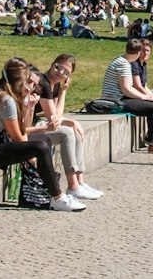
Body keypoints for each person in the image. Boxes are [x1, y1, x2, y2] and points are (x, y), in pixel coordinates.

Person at [0, 56, 86, 211]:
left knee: (44, 139)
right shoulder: (6, 100)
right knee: (40, 147)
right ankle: (58, 197)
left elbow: (21, 130)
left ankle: (47, 189)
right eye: (27, 81)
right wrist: (34, 160)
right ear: (18, 81)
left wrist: (29, 105)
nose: (31, 86)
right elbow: (18, 137)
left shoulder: (4, 93)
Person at [32, 55, 104, 199]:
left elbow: (57, 114)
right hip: (31, 126)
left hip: (39, 123)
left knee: (75, 132)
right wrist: (71, 122)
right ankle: (72, 186)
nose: (61, 73)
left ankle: (79, 181)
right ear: (53, 64)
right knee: (66, 132)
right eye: (59, 67)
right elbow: (53, 118)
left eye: (66, 72)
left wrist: (63, 91)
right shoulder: (44, 82)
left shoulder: (56, 85)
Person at [100, 38, 153, 154]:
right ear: (138, 53)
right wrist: (144, 97)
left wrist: (146, 97)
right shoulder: (124, 65)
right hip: (116, 102)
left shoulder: (121, 60)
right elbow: (126, 89)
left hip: (118, 98)